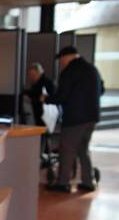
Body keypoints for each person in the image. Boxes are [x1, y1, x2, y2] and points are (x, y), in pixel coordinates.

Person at [43, 46, 104, 193]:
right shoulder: (92, 69)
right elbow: (101, 90)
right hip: (92, 117)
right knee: (83, 149)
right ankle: (88, 182)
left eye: (61, 60)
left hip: (75, 118)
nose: (61, 63)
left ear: (67, 57)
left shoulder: (70, 71)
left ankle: (63, 183)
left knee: (67, 149)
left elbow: (62, 96)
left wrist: (46, 99)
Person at [23, 62, 55, 126]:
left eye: (33, 75)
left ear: (38, 73)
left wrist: (32, 98)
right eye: (30, 75)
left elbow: (41, 97)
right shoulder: (39, 82)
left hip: (44, 113)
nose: (31, 77)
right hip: (43, 113)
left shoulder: (44, 83)